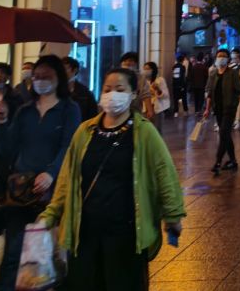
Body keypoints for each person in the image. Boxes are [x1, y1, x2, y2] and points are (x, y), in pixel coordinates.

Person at [39, 67, 185, 291]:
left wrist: (173, 214)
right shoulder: (85, 131)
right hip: (85, 232)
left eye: (119, 89)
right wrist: (51, 214)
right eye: (107, 89)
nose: (112, 94)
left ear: (133, 94)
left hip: (126, 233)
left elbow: (164, 172)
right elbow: (67, 178)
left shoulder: (144, 132)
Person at [0, 55, 81, 291]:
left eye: (47, 76)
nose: (41, 80)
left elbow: (68, 146)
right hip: (20, 190)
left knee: (49, 252)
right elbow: (8, 148)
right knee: (13, 251)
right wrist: (1, 123)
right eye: (37, 76)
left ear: (58, 78)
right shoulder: (24, 111)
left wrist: (51, 173)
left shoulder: (69, 110)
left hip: (52, 192)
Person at [202, 49, 240, 174]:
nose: (221, 58)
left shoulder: (233, 73)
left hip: (229, 108)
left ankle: (218, 162)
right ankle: (233, 160)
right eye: (219, 56)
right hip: (218, 108)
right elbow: (209, 93)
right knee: (225, 134)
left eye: (224, 56)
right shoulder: (213, 73)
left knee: (223, 133)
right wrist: (207, 109)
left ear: (228, 59)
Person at [120, 52, 154, 119]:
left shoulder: (140, 78)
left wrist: (150, 110)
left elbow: (146, 94)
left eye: (130, 61)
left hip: (135, 112)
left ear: (135, 63)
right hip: (119, 111)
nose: (127, 63)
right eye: (124, 61)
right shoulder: (116, 76)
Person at [63, 56, 99, 120]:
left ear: (74, 70)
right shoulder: (53, 91)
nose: (61, 72)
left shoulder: (85, 94)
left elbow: (92, 117)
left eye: (65, 69)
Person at [143, 62, 171, 132]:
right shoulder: (143, 81)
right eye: (145, 69)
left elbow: (165, 95)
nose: (146, 71)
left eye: (148, 69)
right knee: (146, 130)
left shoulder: (160, 80)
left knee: (157, 130)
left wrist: (157, 89)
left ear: (153, 69)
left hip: (157, 109)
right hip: (145, 109)